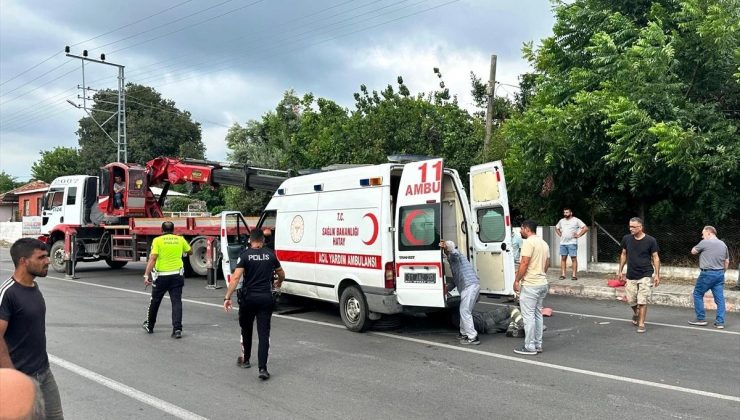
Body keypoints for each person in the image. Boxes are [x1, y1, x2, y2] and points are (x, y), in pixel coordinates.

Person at [0, 238, 65, 419]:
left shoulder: (34, 287)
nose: (48, 261)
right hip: (21, 376)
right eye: (41, 257)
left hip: (44, 373)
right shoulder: (8, 293)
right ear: (23, 261)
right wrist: (12, 377)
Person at [223, 230, 285, 380]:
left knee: (246, 328)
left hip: (248, 298)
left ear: (250, 240)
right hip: (265, 298)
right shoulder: (270, 254)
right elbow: (281, 273)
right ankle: (263, 369)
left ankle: (245, 360)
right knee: (264, 334)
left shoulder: (245, 255)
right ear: (263, 240)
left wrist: (227, 297)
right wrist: (279, 282)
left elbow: (236, 277)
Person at [142, 221, 192, 338]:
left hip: (161, 276)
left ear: (161, 230)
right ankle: (177, 329)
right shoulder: (180, 239)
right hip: (177, 276)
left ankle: (150, 325)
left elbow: (153, 258)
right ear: (173, 230)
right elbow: (190, 251)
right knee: (176, 302)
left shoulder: (157, 240)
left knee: (155, 301)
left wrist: (146, 274)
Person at [513, 220, 550, 355]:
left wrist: (517, 280)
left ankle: (529, 347)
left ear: (526, 229)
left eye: (521, 229)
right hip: (542, 283)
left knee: (528, 317)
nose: (520, 231)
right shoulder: (544, 243)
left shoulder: (528, 243)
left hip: (531, 285)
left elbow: (524, 263)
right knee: (537, 314)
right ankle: (538, 344)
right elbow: (547, 263)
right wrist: (540, 274)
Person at [618, 217, 660, 333]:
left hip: (646, 274)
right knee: (631, 300)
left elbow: (655, 257)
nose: (631, 229)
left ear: (640, 227)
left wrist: (657, 274)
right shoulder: (626, 239)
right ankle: (636, 313)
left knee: (642, 300)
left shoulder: (651, 240)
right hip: (631, 274)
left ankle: (641, 323)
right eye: (630, 226)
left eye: (634, 227)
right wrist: (620, 270)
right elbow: (623, 254)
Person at [440, 240, 481, 345]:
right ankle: (463, 333)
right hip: (470, 286)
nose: (444, 252)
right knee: (464, 310)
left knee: (464, 311)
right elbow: (456, 280)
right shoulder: (453, 261)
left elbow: (455, 253)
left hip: (469, 286)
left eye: (445, 250)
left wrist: (448, 247)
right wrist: (447, 288)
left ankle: (472, 336)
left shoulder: (455, 256)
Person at [688, 226, 730, 329]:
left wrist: (700, 246)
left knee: (697, 293)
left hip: (707, 274)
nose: (702, 236)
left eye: (703, 234)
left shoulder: (704, 242)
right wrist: (722, 272)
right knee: (720, 299)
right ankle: (720, 322)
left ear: (709, 233)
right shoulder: (723, 244)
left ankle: (700, 319)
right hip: (719, 274)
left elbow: (693, 251)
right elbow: (727, 261)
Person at [555, 208, 588, 280]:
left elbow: (585, 228)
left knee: (573, 258)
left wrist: (579, 235)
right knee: (563, 258)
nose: (565, 214)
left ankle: (574, 275)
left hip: (572, 243)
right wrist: (560, 234)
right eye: (564, 212)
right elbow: (556, 228)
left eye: (567, 212)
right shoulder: (561, 221)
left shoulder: (576, 220)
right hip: (563, 243)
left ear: (571, 213)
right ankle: (563, 275)